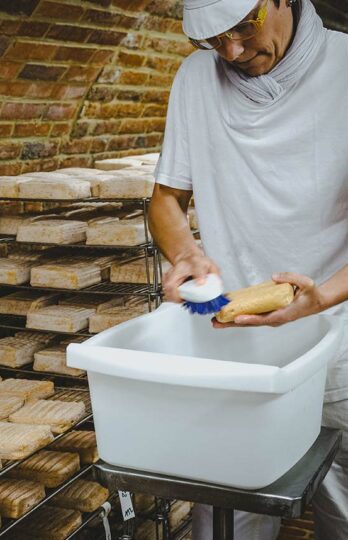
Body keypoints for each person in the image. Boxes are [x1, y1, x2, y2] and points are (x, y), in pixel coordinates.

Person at [148, 0, 348, 538]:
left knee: (344, 509)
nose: (231, 52)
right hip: (234, 347)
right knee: (227, 519)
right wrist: (185, 251)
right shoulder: (195, 78)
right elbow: (166, 198)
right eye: (213, 40)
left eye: (242, 27)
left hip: (339, 342)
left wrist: (322, 298)